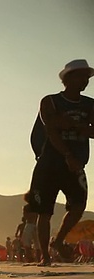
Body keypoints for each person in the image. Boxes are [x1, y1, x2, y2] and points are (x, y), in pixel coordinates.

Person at [26, 59, 94, 266]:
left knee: (79, 205)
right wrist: (68, 154)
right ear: (68, 78)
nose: (86, 81)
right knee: (44, 211)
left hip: (76, 164)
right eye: (82, 76)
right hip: (49, 163)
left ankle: (58, 240)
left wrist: (75, 126)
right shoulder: (50, 101)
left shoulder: (90, 104)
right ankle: (44, 256)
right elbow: (51, 129)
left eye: (88, 77)